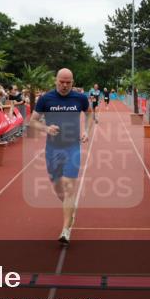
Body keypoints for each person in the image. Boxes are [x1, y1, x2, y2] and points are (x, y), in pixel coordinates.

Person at [29, 68, 90, 245]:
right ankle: (70, 208)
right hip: (52, 149)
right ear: (56, 80)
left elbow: (89, 114)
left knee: (69, 187)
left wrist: (86, 130)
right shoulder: (46, 99)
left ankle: (65, 230)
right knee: (58, 188)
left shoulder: (80, 98)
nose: (64, 85)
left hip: (73, 148)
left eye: (68, 82)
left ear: (72, 82)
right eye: (61, 82)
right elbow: (33, 121)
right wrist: (46, 128)